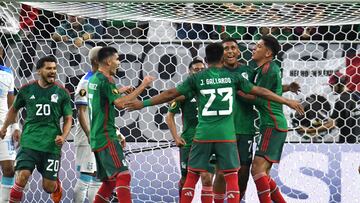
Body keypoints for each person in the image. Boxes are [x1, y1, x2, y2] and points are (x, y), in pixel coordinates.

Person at [124, 42, 304, 203]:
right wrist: (287, 101)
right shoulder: (233, 78)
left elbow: (170, 93)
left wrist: (143, 103)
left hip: (203, 135)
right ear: (221, 56)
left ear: (206, 59)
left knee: (193, 176)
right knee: (232, 176)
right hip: (227, 135)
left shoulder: (197, 78)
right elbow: (260, 91)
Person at [212, 37, 301, 203]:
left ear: (239, 52)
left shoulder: (253, 70)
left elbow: (260, 92)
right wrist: (286, 88)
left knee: (250, 172)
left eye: (233, 48)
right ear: (220, 53)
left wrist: (235, 88)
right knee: (223, 173)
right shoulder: (215, 73)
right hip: (223, 130)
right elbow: (266, 90)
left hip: (251, 129)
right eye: (226, 49)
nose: (230, 51)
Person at [0, 56, 73, 203]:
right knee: (22, 176)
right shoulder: (27, 90)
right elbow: (13, 110)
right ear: (39, 71)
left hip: (51, 145)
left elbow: (68, 119)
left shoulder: (62, 92)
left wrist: (64, 136)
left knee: (48, 187)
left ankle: (56, 186)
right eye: (48, 68)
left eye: (54, 68)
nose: (52, 71)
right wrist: (5, 127)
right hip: (29, 142)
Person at [88, 46, 154, 203]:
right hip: (105, 136)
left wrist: (119, 90)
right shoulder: (106, 80)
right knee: (123, 175)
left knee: (110, 182)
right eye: (117, 59)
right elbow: (120, 104)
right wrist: (143, 86)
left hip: (97, 137)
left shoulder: (94, 78)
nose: (119, 63)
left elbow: (106, 98)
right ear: (109, 61)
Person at [243, 35, 292, 203]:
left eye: (258, 46)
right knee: (263, 173)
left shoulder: (268, 69)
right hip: (271, 124)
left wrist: (235, 90)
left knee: (257, 170)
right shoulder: (265, 69)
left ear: (268, 52)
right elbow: (271, 92)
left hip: (272, 124)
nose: (253, 49)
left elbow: (259, 96)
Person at [165, 58, 211, 202]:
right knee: (186, 178)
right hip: (189, 141)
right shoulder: (183, 91)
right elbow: (169, 116)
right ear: (189, 72)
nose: (199, 72)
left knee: (207, 177)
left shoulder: (211, 90)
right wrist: (176, 137)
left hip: (209, 140)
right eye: (196, 70)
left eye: (202, 69)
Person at [73, 46, 103, 202]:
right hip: (87, 137)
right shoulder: (86, 82)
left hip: (99, 135)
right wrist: (91, 135)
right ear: (96, 61)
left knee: (98, 179)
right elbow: (81, 112)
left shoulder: (100, 81)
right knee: (86, 177)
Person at [298, 72, 360, 143]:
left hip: (348, 142)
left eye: (332, 86)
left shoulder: (341, 101)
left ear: (338, 84)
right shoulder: (357, 95)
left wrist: (308, 130)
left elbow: (332, 124)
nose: (332, 89)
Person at [0, 64, 21, 203]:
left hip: (4, 127)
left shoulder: (7, 73)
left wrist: (15, 127)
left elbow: (12, 104)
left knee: (9, 169)